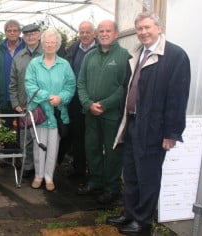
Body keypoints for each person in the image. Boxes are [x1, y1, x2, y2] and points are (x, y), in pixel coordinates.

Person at [107, 12, 191, 234]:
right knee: (132, 173)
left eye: (147, 28)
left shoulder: (175, 56)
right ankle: (130, 214)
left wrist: (172, 132)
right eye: (139, 29)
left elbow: (178, 97)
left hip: (154, 128)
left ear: (159, 28)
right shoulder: (136, 53)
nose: (143, 32)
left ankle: (143, 222)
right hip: (133, 123)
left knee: (148, 176)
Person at [76, 20, 130, 204]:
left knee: (113, 151)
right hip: (90, 112)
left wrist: (105, 104)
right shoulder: (89, 56)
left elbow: (125, 87)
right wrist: (87, 103)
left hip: (112, 115)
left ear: (116, 34)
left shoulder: (125, 57)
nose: (104, 33)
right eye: (101, 31)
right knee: (92, 148)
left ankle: (112, 187)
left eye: (108, 30)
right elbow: (81, 82)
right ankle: (95, 181)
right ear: (97, 34)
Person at [25, 28, 76, 191]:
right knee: (39, 145)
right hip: (39, 112)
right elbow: (29, 85)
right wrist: (47, 96)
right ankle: (38, 175)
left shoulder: (64, 65)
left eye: (53, 42)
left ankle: (49, 177)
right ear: (42, 43)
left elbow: (70, 86)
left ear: (58, 44)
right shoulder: (34, 64)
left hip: (57, 113)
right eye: (47, 42)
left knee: (53, 146)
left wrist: (61, 98)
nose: (50, 45)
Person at [59, 21, 97, 180]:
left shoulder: (100, 49)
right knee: (77, 136)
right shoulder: (74, 49)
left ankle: (94, 173)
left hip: (94, 100)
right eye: (82, 32)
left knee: (93, 137)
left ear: (94, 33)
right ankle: (79, 170)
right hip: (75, 99)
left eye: (88, 32)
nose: (85, 35)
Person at [9, 23, 43, 179]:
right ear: (23, 37)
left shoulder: (47, 53)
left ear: (39, 35)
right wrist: (15, 103)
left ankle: (41, 170)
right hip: (24, 106)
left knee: (41, 139)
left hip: (43, 106)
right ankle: (28, 168)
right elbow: (13, 83)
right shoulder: (19, 57)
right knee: (25, 139)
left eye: (34, 34)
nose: (30, 37)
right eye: (27, 34)